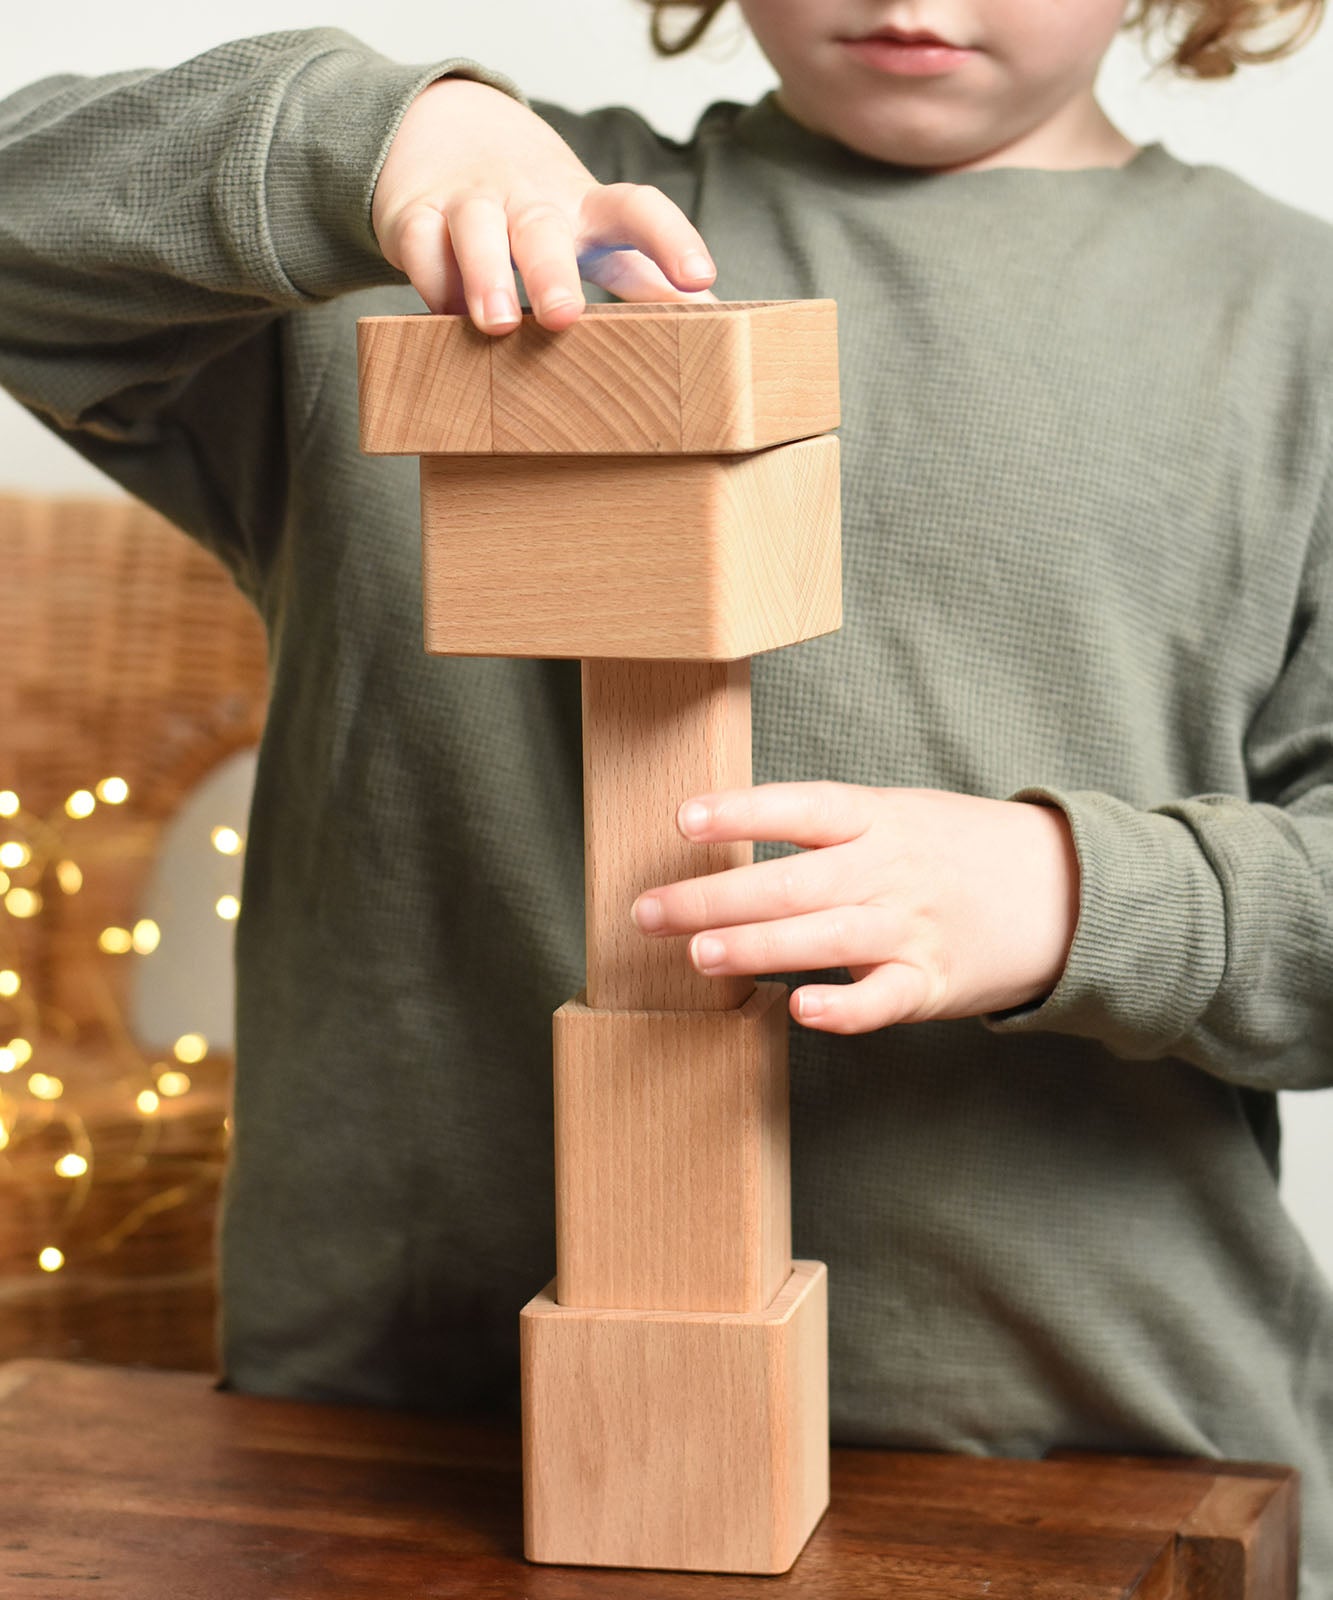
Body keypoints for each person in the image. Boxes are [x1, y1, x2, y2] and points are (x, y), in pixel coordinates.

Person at [1, 1, 1330, 1590]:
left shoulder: (1292, 324)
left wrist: (1073, 896)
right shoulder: (429, 255)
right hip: (393, 1451)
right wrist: (385, 134)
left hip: (1086, 1456)